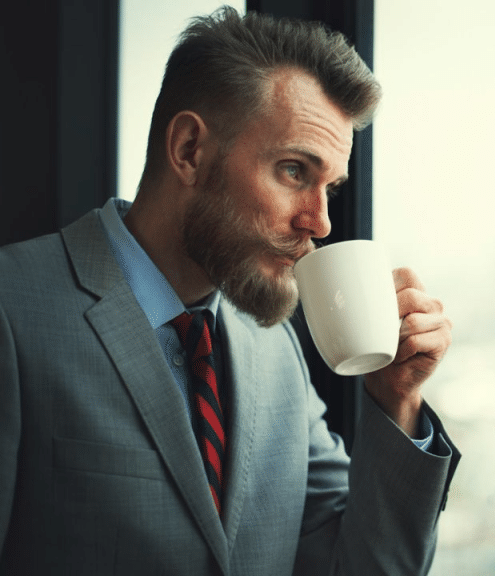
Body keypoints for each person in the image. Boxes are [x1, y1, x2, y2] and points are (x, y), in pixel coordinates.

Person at [0, 7, 458, 575]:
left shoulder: (276, 355)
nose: (320, 222)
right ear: (190, 149)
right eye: (294, 171)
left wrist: (398, 402)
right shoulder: (12, 312)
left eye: (329, 188)